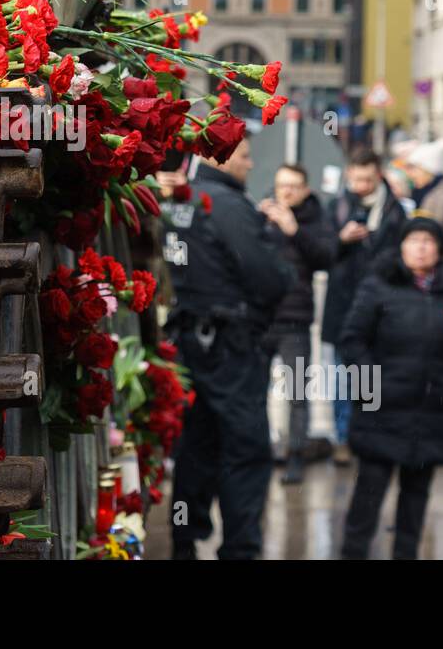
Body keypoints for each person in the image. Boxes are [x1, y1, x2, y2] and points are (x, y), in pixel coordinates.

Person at [165, 133, 296, 560]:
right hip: (231, 346)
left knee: (195, 445)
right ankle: (239, 547)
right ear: (217, 156)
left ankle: (184, 539)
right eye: (244, 155)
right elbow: (270, 278)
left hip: (190, 340)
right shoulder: (226, 205)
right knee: (245, 449)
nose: (250, 164)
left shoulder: (182, 200)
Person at [339, 217, 443, 559]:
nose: (421, 248)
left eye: (429, 242)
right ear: (401, 246)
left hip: (429, 412)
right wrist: (372, 388)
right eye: (414, 240)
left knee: (415, 501)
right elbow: (352, 341)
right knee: (367, 497)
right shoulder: (378, 285)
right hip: (382, 412)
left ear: (439, 250)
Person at [321, 148, 408, 465]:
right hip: (342, 306)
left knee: (371, 374)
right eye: (356, 179)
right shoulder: (337, 207)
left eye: (367, 180)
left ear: (379, 175)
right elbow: (320, 253)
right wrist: (341, 240)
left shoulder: (396, 211)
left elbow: (402, 257)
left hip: (380, 306)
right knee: (342, 377)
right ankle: (343, 438)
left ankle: (368, 435)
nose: (360, 186)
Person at [259, 163, 338, 485]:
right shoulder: (262, 215)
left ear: (305, 189)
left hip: (295, 318)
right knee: (253, 390)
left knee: (296, 393)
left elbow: (326, 257)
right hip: (262, 317)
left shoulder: (315, 218)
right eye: (281, 185)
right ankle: (262, 451)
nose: (286, 192)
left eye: (293, 186)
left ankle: (295, 454)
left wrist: (294, 230)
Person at [405, 140, 443, 269]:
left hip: (442, 262)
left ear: (428, 170)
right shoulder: (421, 193)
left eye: (415, 169)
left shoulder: (442, 196)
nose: (411, 174)